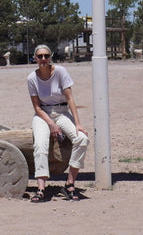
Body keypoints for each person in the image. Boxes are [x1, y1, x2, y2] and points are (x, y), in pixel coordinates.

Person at [26, 44, 88, 201]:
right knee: (40, 145)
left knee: (82, 139)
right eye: (39, 56)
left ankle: (70, 183)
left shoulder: (60, 72)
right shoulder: (32, 78)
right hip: (43, 115)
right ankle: (41, 188)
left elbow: (70, 99)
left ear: (50, 56)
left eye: (46, 56)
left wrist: (78, 123)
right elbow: (36, 107)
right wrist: (51, 124)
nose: (43, 59)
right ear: (35, 58)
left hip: (61, 112)